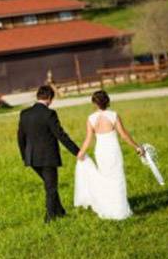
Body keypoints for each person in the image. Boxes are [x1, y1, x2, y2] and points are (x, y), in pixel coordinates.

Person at [74, 90, 143, 220]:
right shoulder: (113, 115)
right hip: (113, 150)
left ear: (94, 103)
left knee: (105, 178)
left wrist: (81, 152)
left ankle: (108, 208)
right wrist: (137, 147)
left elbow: (88, 139)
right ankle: (120, 210)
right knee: (117, 178)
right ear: (107, 101)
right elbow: (123, 135)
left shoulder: (91, 118)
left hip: (101, 151)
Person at [17, 85, 80, 223]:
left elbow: (20, 137)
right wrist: (77, 151)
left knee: (49, 184)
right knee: (51, 188)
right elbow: (61, 135)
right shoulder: (49, 114)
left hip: (31, 158)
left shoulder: (24, 113)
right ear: (50, 98)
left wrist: (24, 157)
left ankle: (61, 211)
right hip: (47, 157)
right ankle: (50, 218)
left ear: (38, 96)